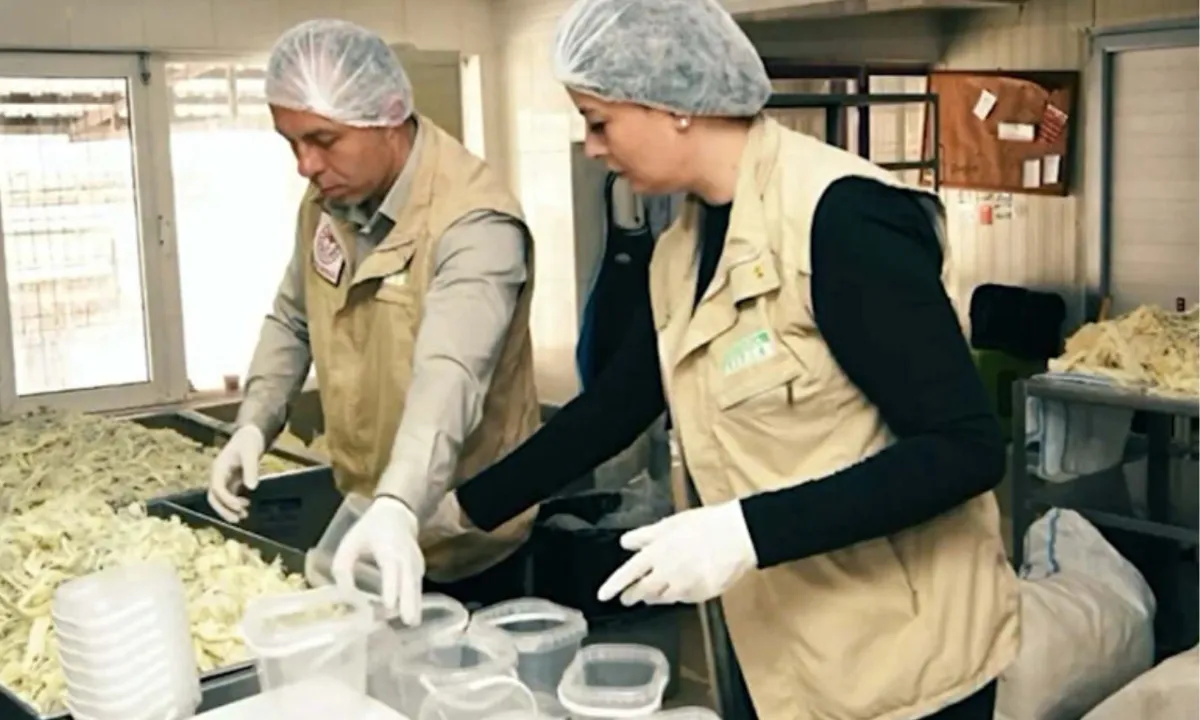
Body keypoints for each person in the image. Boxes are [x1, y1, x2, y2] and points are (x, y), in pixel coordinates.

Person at [453, 1, 1022, 718]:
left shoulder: (838, 219)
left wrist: (745, 530)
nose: (592, 147)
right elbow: (616, 407)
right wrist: (452, 513)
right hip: (781, 646)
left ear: (673, 104)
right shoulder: (682, 250)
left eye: (599, 121)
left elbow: (965, 449)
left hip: (905, 660)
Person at [205, 19, 540, 626]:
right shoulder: (329, 204)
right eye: (291, 143)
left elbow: (450, 375)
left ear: (387, 115)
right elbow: (294, 317)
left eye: (322, 140)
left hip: (463, 531)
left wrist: (399, 503)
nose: (305, 165)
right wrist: (254, 422)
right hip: (367, 515)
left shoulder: (473, 223)